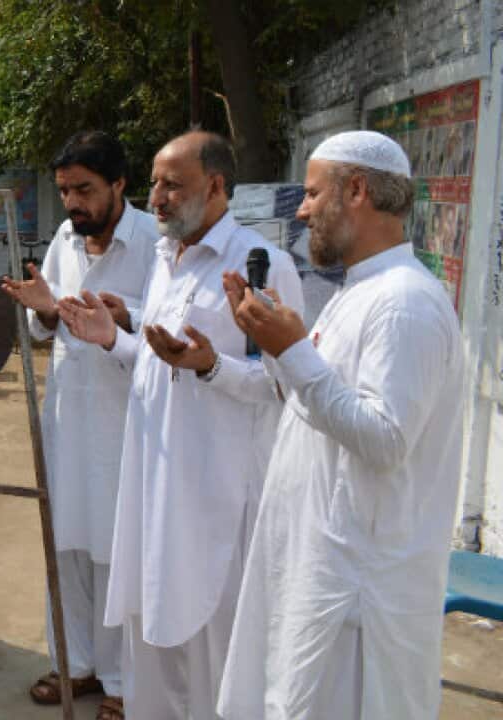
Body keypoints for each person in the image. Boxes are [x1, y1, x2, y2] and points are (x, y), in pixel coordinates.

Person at [217, 131, 465, 720]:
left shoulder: (405, 303)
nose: (300, 210)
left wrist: (296, 350)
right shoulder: (362, 291)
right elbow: (319, 409)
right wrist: (279, 347)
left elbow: (385, 439)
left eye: (309, 193)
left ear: (356, 190)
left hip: (358, 605)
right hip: (321, 575)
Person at [58, 131, 304, 719]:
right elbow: (161, 358)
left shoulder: (260, 266)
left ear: (216, 185)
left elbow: (285, 383)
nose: (158, 197)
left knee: (216, 653)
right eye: (154, 183)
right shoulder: (168, 258)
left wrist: (212, 366)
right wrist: (114, 336)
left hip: (216, 497)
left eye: (173, 184)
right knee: (152, 644)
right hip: (154, 489)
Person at [1, 131, 156, 719]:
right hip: (69, 412)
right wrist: (42, 306)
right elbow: (49, 328)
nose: (72, 203)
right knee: (64, 544)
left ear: (119, 185)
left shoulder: (153, 245)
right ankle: (77, 664)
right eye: (65, 190)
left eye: (84, 190)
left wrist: (121, 319)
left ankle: (121, 681)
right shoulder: (67, 237)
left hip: (126, 419)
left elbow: (164, 328)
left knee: (116, 553)